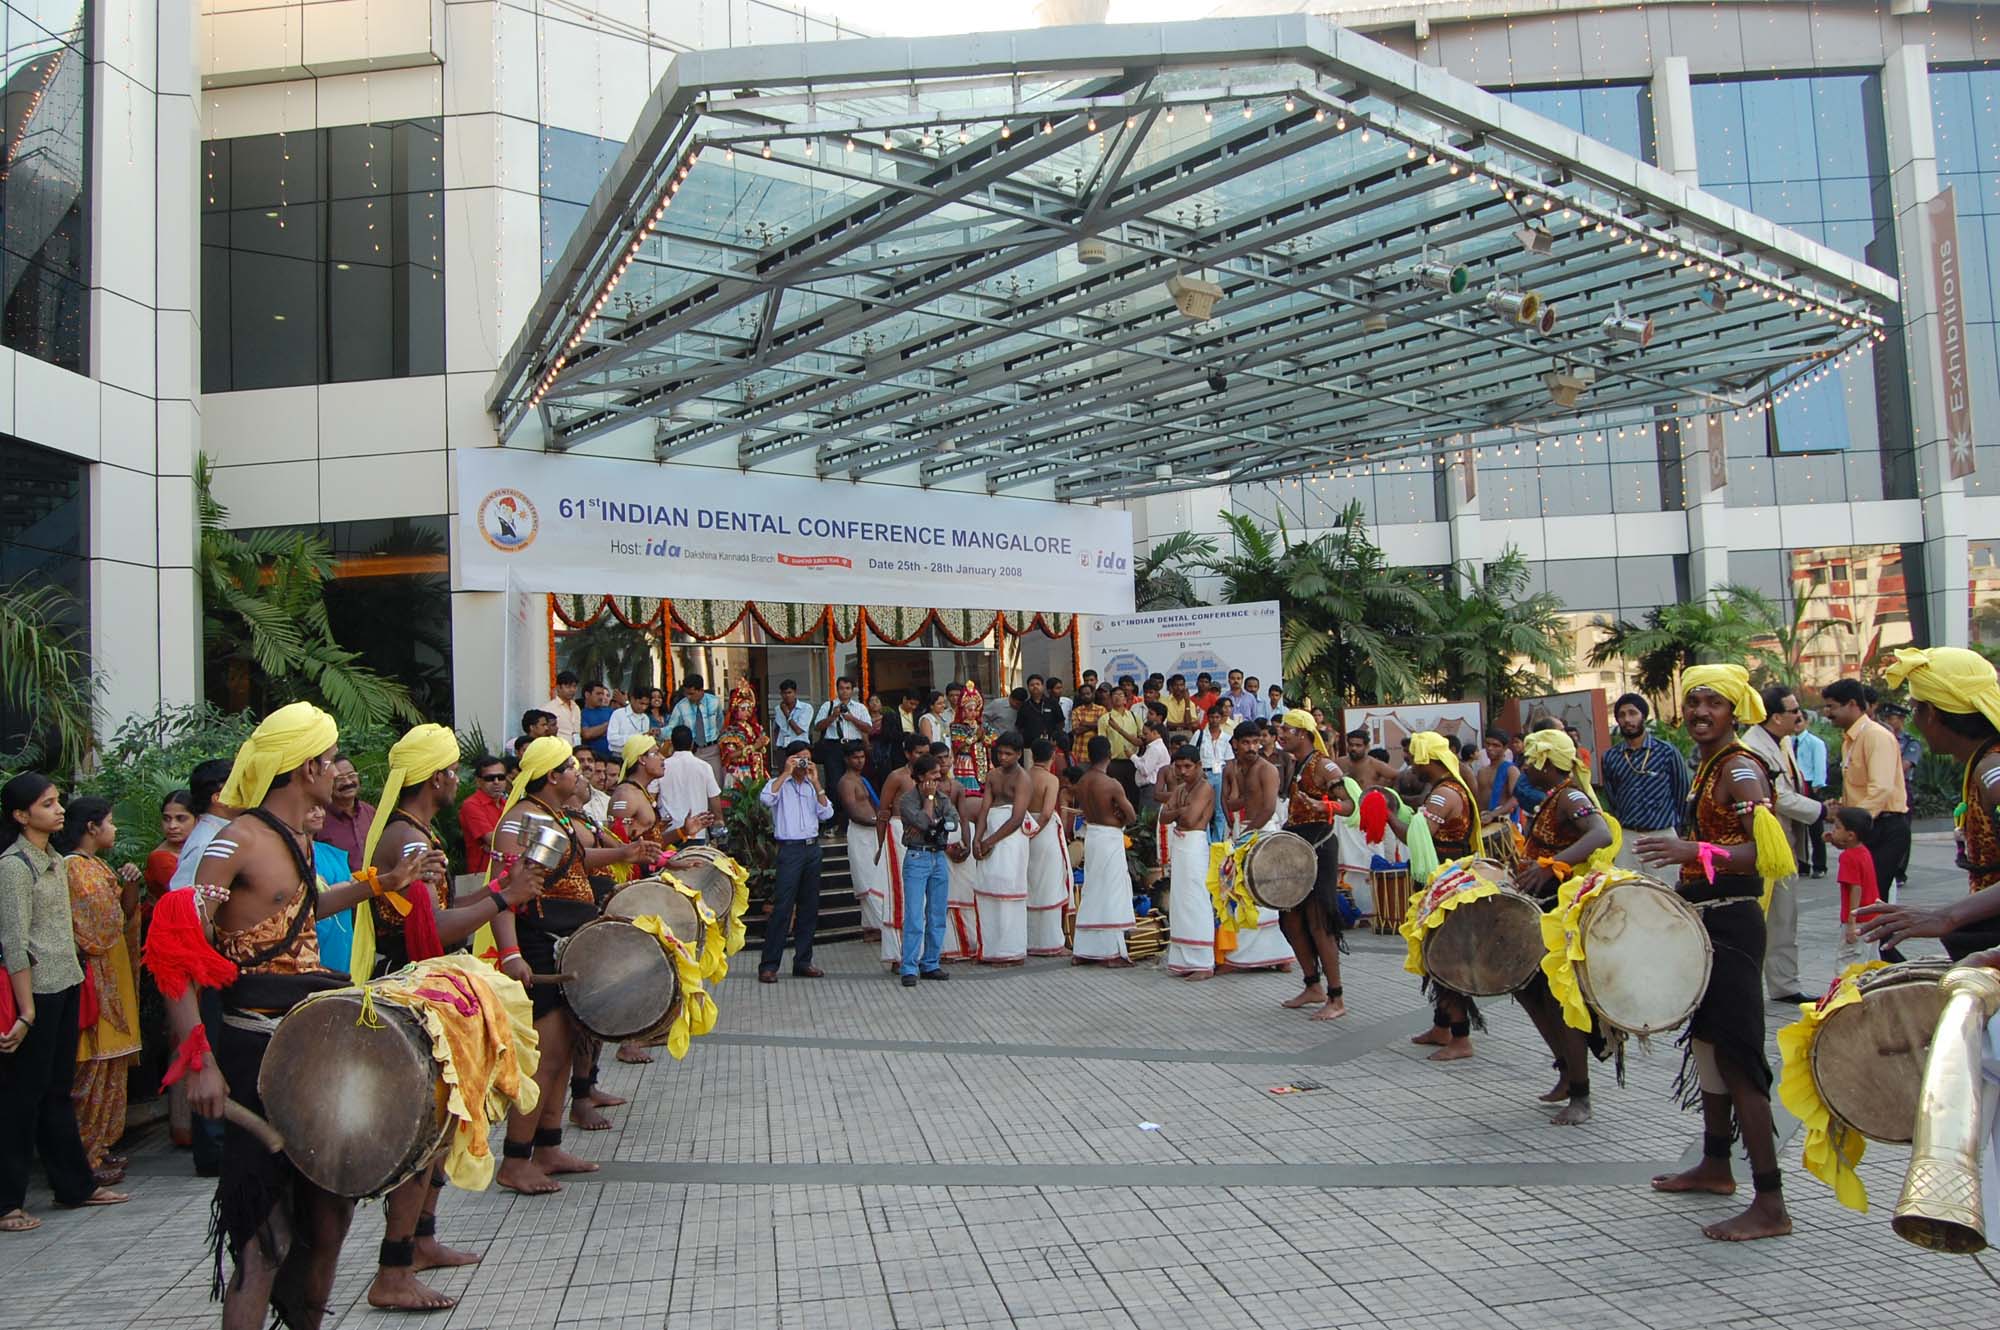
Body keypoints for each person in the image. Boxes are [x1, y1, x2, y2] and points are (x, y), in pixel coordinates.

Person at [143, 705, 452, 1319]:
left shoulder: (300, 838)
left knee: (329, 1220)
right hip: (256, 1046)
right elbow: (175, 946)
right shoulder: (237, 840)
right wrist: (198, 1060)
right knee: (264, 1239)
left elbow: (300, 911)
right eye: (332, 759)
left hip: (313, 1039)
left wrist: (382, 882)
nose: (340, 770)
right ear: (308, 768)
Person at [355, 723, 545, 1309]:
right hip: (409, 992)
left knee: (439, 1129)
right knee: (426, 1129)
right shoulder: (408, 840)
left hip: (423, 986)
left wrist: (497, 890)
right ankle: (393, 1270)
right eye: (452, 770)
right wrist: (503, 899)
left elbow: (440, 910)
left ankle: (421, 1241)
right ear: (436, 777)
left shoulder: (415, 831)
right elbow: (432, 930)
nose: (457, 778)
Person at [1636, 665, 1794, 1242]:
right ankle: (1715, 1165)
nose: (1701, 712)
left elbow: (1767, 851)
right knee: (1707, 1048)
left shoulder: (1741, 768)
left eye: (1714, 703)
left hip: (1731, 925)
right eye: (1694, 702)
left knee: (1738, 1060)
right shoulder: (1711, 765)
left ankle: (1771, 1203)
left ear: (1734, 711)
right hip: (1706, 922)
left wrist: (1693, 850)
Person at [484, 737, 636, 1198]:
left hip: (565, 944)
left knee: (562, 1054)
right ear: (551, 776)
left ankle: (548, 1148)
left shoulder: (555, 816)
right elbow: (505, 893)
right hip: (539, 947)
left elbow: (575, 862)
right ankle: (515, 1160)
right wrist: (511, 955)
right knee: (544, 1059)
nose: (579, 772)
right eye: (571, 767)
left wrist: (624, 854)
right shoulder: (523, 821)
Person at [2, 775, 129, 1235]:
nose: (59, 810)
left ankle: (74, 1186)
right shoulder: (14, 867)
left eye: (58, 802)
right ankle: (7, 1203)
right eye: (47, 804)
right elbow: (14, 943)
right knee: (21, 1097)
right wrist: (26, 1011)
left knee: (56, 1090)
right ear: (21, 815)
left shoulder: (55, 860)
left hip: (66, 983)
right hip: (35, 993)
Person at [1856, 647, 2000, 959]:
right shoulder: (1985, 763)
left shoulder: (1993, 769)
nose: (1913, 723)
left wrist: (1946, 916)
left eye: (1915, 710)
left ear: (1932, 714)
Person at [1509, 731, 1616, 1125]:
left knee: (1560, 1000)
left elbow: (1601, 833)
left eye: (1530, 759)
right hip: (1543, 908)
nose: (1524, 766)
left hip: (1560, 910)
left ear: (1547, 763)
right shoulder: (1554, 796)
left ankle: (1581, 1095)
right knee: (1527, 989)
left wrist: (1552, 866)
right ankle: (1567, 1073)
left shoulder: (1570, 796)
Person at [56, 797, 142, 1181]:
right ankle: (85, 1156)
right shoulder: (74, 868)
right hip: (96, 977)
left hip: (112, 972)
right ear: (92, 827)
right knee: (91, 1069)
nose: (115, 828)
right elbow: (100, 928)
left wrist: (129, 885)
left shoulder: (98, 867)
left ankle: (101, 1147)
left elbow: (124, 916)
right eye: (109, 821)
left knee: (110, 1067)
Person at [1387, 731, 1484, 1062]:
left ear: (1428, 759)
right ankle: (1442, 1026)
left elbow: (1417, 838)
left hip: (1446, 884)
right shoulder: (1445, 788)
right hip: (1445, 879)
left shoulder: (1444, 793)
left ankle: (1461, 1037)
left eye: (1415, 759)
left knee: (1445, 956)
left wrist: (1387, 815)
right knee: (1435, 953)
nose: (1411, 765)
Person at [1741, 686, 1826, 1005]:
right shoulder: (1752, 747)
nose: (1799, 715)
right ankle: (1756, 985)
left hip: (1785, 843)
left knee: (1784, 918)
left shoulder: (1783, 740)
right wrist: (1822, 811)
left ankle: (1784, 984)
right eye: (1794, 710)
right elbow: (1777, 797)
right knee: (1761, 919)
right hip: (1763, 846)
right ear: (1776, 717)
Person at [1270, 713, 1353, 1013]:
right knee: (1290, 919)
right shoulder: (1297, 763)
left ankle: (1336, 997)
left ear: (1304, 733)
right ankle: (1312, 986)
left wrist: (1324, 805)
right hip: (1297, 848)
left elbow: (1349, 805)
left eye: (1287, 729)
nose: (1281, 734)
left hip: (1319, 846)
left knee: (1320, 922)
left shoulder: (1324, 765)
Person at [1821, 678, 1911, 900]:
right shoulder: (1851, 740)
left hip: (1883, 826)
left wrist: (1850, 824)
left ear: (1852, 704)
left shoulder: (1875, 736)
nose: (1827, 713)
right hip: (1868, 824)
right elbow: (1859, 787)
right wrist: (1842, 808)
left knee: (1873, 897)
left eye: (1831, 707)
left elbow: (1880, 789)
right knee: (1860, 896)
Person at [759, 742, 833, 982]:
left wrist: (817, 783)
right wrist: (786, 773)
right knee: (782, 908)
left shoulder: (812, 786)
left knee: (809, 907)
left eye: (808, 759)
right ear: (789, 759)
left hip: (812, 848)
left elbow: (827, 813)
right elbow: (766, 799)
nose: (804, 763)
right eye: (800, 758)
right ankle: (769, 965)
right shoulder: (779, 783)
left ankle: (803, 961)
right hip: (790, 850)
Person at [1598, 693, 1690, 872]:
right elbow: (1612, 797)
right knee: (1627, 886)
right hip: (1627, 837)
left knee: (1667, 888)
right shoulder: (1611, 757)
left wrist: (1680, 831)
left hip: (1662, 835)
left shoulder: (1667, 752)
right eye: (1622, 715)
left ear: (1644, 716)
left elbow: (1681, 793)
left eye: (1633, 713)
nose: (1627, 719)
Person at [1074, 737, 1136, 966]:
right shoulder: (1111, 784)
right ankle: (1111, 952)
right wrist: (1120, 817)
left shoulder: (1082, 781)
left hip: (1092, 835)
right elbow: (1132, 816)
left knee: (1093, 888)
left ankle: (1084, 949)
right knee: (1112, 890)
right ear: (1109, 754)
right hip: (1109, 836)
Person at [970, 732, 1031, 964]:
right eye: (1000, 753)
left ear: (1018, 754)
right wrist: (977, 838)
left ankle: (1011, 952)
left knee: (1009, 890)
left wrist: (989, 841)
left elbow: (1017, 819)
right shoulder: (992, 775)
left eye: (1008, 754)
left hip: (1011, 840)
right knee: (988, 887)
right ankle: (990, 950)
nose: (1002, 757)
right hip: (991, 832)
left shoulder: (1023, 779)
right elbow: (984, 809)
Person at [895, 757, 956, 986]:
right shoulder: (907, 800)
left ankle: (931, 963)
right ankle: (909, 967)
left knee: (937, 913)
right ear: (921, 776)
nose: (938, 778)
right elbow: (924, 822)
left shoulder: (944, 797)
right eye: (933, 774)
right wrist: (929, 801)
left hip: (938, 856)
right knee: (914, 915)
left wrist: (936, 823)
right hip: (917, 856)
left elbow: (953, 820)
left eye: (939, 774)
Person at [871, 735, 929, 970]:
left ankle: (922, 953)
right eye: (919, 753)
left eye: (926, 752)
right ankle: (899, 955)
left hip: (924, 840)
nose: (923, 757)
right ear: (907, 753)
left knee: (922, 897)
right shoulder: (897, 777)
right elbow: (882, 812)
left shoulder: (931, 777)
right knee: (899, 896)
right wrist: (881, 845)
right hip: (897, 837)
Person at [1160, 746, 1217, 979]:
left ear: (1199, 766)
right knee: (1180, 901)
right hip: (1181, 845)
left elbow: (1191, 819)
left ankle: (1204, 963)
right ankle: (1184, 960)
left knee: (1196, 899)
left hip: (1194, 845)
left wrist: (1177, 810)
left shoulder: (1205, 788)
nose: (1182, 771)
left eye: (1188, 767)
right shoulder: (1181, 789)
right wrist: (1180, 810)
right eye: (1178, 767)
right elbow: (1163, 816)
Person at [1021, 739, 1071, 956]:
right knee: (1049, 886)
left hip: (1024, 829)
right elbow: (1047, 812)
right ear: (1052, 757)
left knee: (1030, 884)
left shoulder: (1023, 776)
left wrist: (1027, 832)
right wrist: (1035, 831)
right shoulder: (1051, 779)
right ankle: (1050, 942)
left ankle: (1028, 940)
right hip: (1043, 833)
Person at [836, 742, 887, 942]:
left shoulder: (862, 779)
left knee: (877, 878)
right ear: (847, 759)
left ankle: (871, 928)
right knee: (868, 880)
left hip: (872, 832)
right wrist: (877, 822)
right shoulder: (846, 782)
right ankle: (882, 925)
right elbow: (853, 812)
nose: (860, 761)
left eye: (862, 757)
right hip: (860, 833)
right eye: (856, 757)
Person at [655, 725, 725, 843]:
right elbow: (714, 798)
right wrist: (719, 821)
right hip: (696, 832)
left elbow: (652, 796)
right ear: (692, 744)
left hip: (668, 833)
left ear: (672, 743)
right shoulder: (704, 767)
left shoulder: (661, 766)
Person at [1827, 807, 1879, 961]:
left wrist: (1851, 923)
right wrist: (1833, 840)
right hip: (1872, 917)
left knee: (1848, 965)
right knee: (1869, 962)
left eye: (1837, 827)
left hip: (1858, 921)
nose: (1833, 830)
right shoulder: (1863, 851)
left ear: (1850, 835)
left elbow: (1855, 888)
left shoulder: (1848, 857)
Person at [317, 753, 376, 872]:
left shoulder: (370, 812)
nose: (348, 782)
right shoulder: (318, 819)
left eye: (351, 775)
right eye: (339, 778)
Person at [668, 674, 726, 783]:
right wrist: (659, 732)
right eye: (686, 694)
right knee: (693, 783)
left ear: (701, 691)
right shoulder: (681, 706)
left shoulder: (714, 702)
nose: (688, 697)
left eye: (691, 693)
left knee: (716, 783)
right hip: (691, 751)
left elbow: (721, 723)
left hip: (712, 750)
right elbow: (671, 728)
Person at [458, 755, 509, 876]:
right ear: (478, 781)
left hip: (506, 873)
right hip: (483, 875)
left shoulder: (507, 804)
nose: (496, 782)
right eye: (489, 778)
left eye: (501, 777)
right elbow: (493, 840)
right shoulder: (471, 805)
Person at [1794, 717, 1830, 878]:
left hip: (1810, 784)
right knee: (1797, 827)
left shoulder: (1815, 742)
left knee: (1815, 827)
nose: (1796, 724)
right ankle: (1802, 863)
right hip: (1795, 784)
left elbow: (1820, 764)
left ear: (1806, 722)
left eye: (1800, 721)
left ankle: (1819, 865)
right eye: (1795, 721)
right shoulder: (1788, 741)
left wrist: (1817, 784)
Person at [717, 679, 769, 788]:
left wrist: (762, 743)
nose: (747, 711)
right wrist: (754, 747)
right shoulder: (731, 731)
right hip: (740, 772)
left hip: (756, 769)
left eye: (749, 708)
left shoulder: (754, 728)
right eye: (743, 708)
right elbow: (730, 755)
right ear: (736, 709)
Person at [1097, 686, 1144, 805]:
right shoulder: (1105, 719)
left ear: (1125, 699)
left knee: (1134, 794)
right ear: (1110, 699)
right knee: (1115, 795)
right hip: (1114, 762)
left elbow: (1141, 739)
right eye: (1115, 695)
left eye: (1121, 695)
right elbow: (1102, 742)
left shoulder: (1134, 717)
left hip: (1133, 761)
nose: (1118, 698)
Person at [948, 681, 996, 791]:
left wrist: (984, 738)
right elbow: (958, 745)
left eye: (976, 710)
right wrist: (975, 737)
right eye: (970, 710)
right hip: (966, 760)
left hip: (983, 760)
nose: (973, 713)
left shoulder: (982, 725)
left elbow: (993, 740)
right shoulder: (957, 726)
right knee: (969, 789)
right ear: (963, 711)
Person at [1475, 731, 1520, 819]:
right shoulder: (1481, 772)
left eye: (1496, 745)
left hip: (1503, 820)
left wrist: (1493, 814)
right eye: (1487, 744)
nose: (1490, 748)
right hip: (1483, 820)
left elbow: (1516, 799)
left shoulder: (1511, 770)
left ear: (1505, 748)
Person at [606, 681, 659, 755]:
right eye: (641, 703)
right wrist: (638, 738)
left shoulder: (645, 718)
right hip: (618, 755)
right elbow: (612, 739)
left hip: (639, 756)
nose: (643, 707)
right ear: (632, 699)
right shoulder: (618, 714)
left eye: (646, 704)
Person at [1133, 719, 1171, 815]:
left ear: (1154, 733)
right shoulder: (1155, 747)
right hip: (1150, 788)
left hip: (1151, 789)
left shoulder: (1155, 748)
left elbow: (1145, 770)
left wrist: (1132, 757)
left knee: (1147, 818)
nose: (1143, 736)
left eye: (1146, 734)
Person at [770, 678, 814, 761]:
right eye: (784, 693)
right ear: (781, 694)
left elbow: (798, 731)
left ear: (795, 692)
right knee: (784, 769)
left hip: (799, 747)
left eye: (789, 692)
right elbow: (776, 728)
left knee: (800, 769)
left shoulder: (806, 708)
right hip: (783, 747)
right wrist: (776, 745)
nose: (787, 696)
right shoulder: (778, 709)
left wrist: (787, 714)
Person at [1018, 675, 1064, 753]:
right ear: (1028, 688)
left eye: (1037, 684)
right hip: (1030, 747)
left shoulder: (1053, 703)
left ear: (1042, 686)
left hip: (1050, 745)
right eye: (1032, 685)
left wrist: (1055, 737)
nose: (1035, 686)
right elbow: (1019, 726)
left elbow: (1061, 722)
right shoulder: (1024, 706)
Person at [1068, 684, 1107, 767]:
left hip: (1097, 755)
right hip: (1080, 754)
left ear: (1093, 694)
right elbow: (1076, 730)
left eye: (1088, 693)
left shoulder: (1101, 709)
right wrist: (1095, 724)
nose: (1086, 696)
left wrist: (1084, 723)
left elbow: (1102, 727)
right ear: (1080, 696)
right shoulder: (1076, 711)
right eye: (1083, 694)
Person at [542, 671, 583, 745]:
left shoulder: (576, 707)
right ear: (558, 687)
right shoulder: (548, 709)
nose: (572, 690)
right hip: (558, 748)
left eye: (574, 686)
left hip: (576, 748)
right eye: (568, 687)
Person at [577, 681, 615, 760]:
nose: (601, 697)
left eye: (602, 694)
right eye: (598, 694)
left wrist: (596, 731)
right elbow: (587, 734)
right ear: (587, 695)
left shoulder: (610, 711)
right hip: (593, 759)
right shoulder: (581, 714)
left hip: (613, 758)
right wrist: (609, 724)